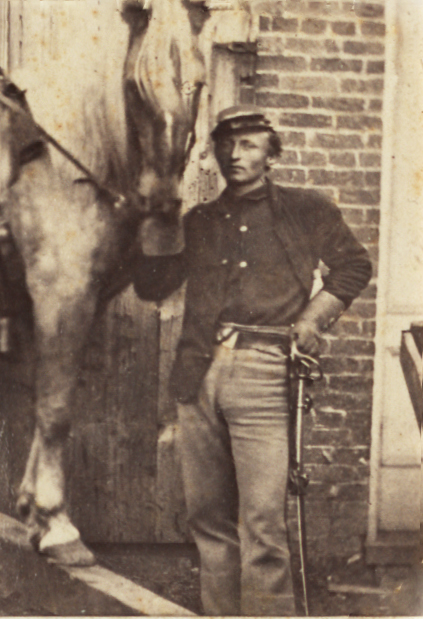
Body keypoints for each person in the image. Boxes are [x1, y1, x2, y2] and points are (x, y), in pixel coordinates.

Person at [133, 105, 372, 615]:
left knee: (263, 521)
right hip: (197, 373)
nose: (235, 153)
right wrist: (158, 222)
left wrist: (312, 320)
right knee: (209, 520)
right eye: (226, 143)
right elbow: (152, 286)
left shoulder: (306, 209)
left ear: (271, 153)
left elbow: (353, 266)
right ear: (214, 152)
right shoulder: (198, 221)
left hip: (265, 370)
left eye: (248, 144)